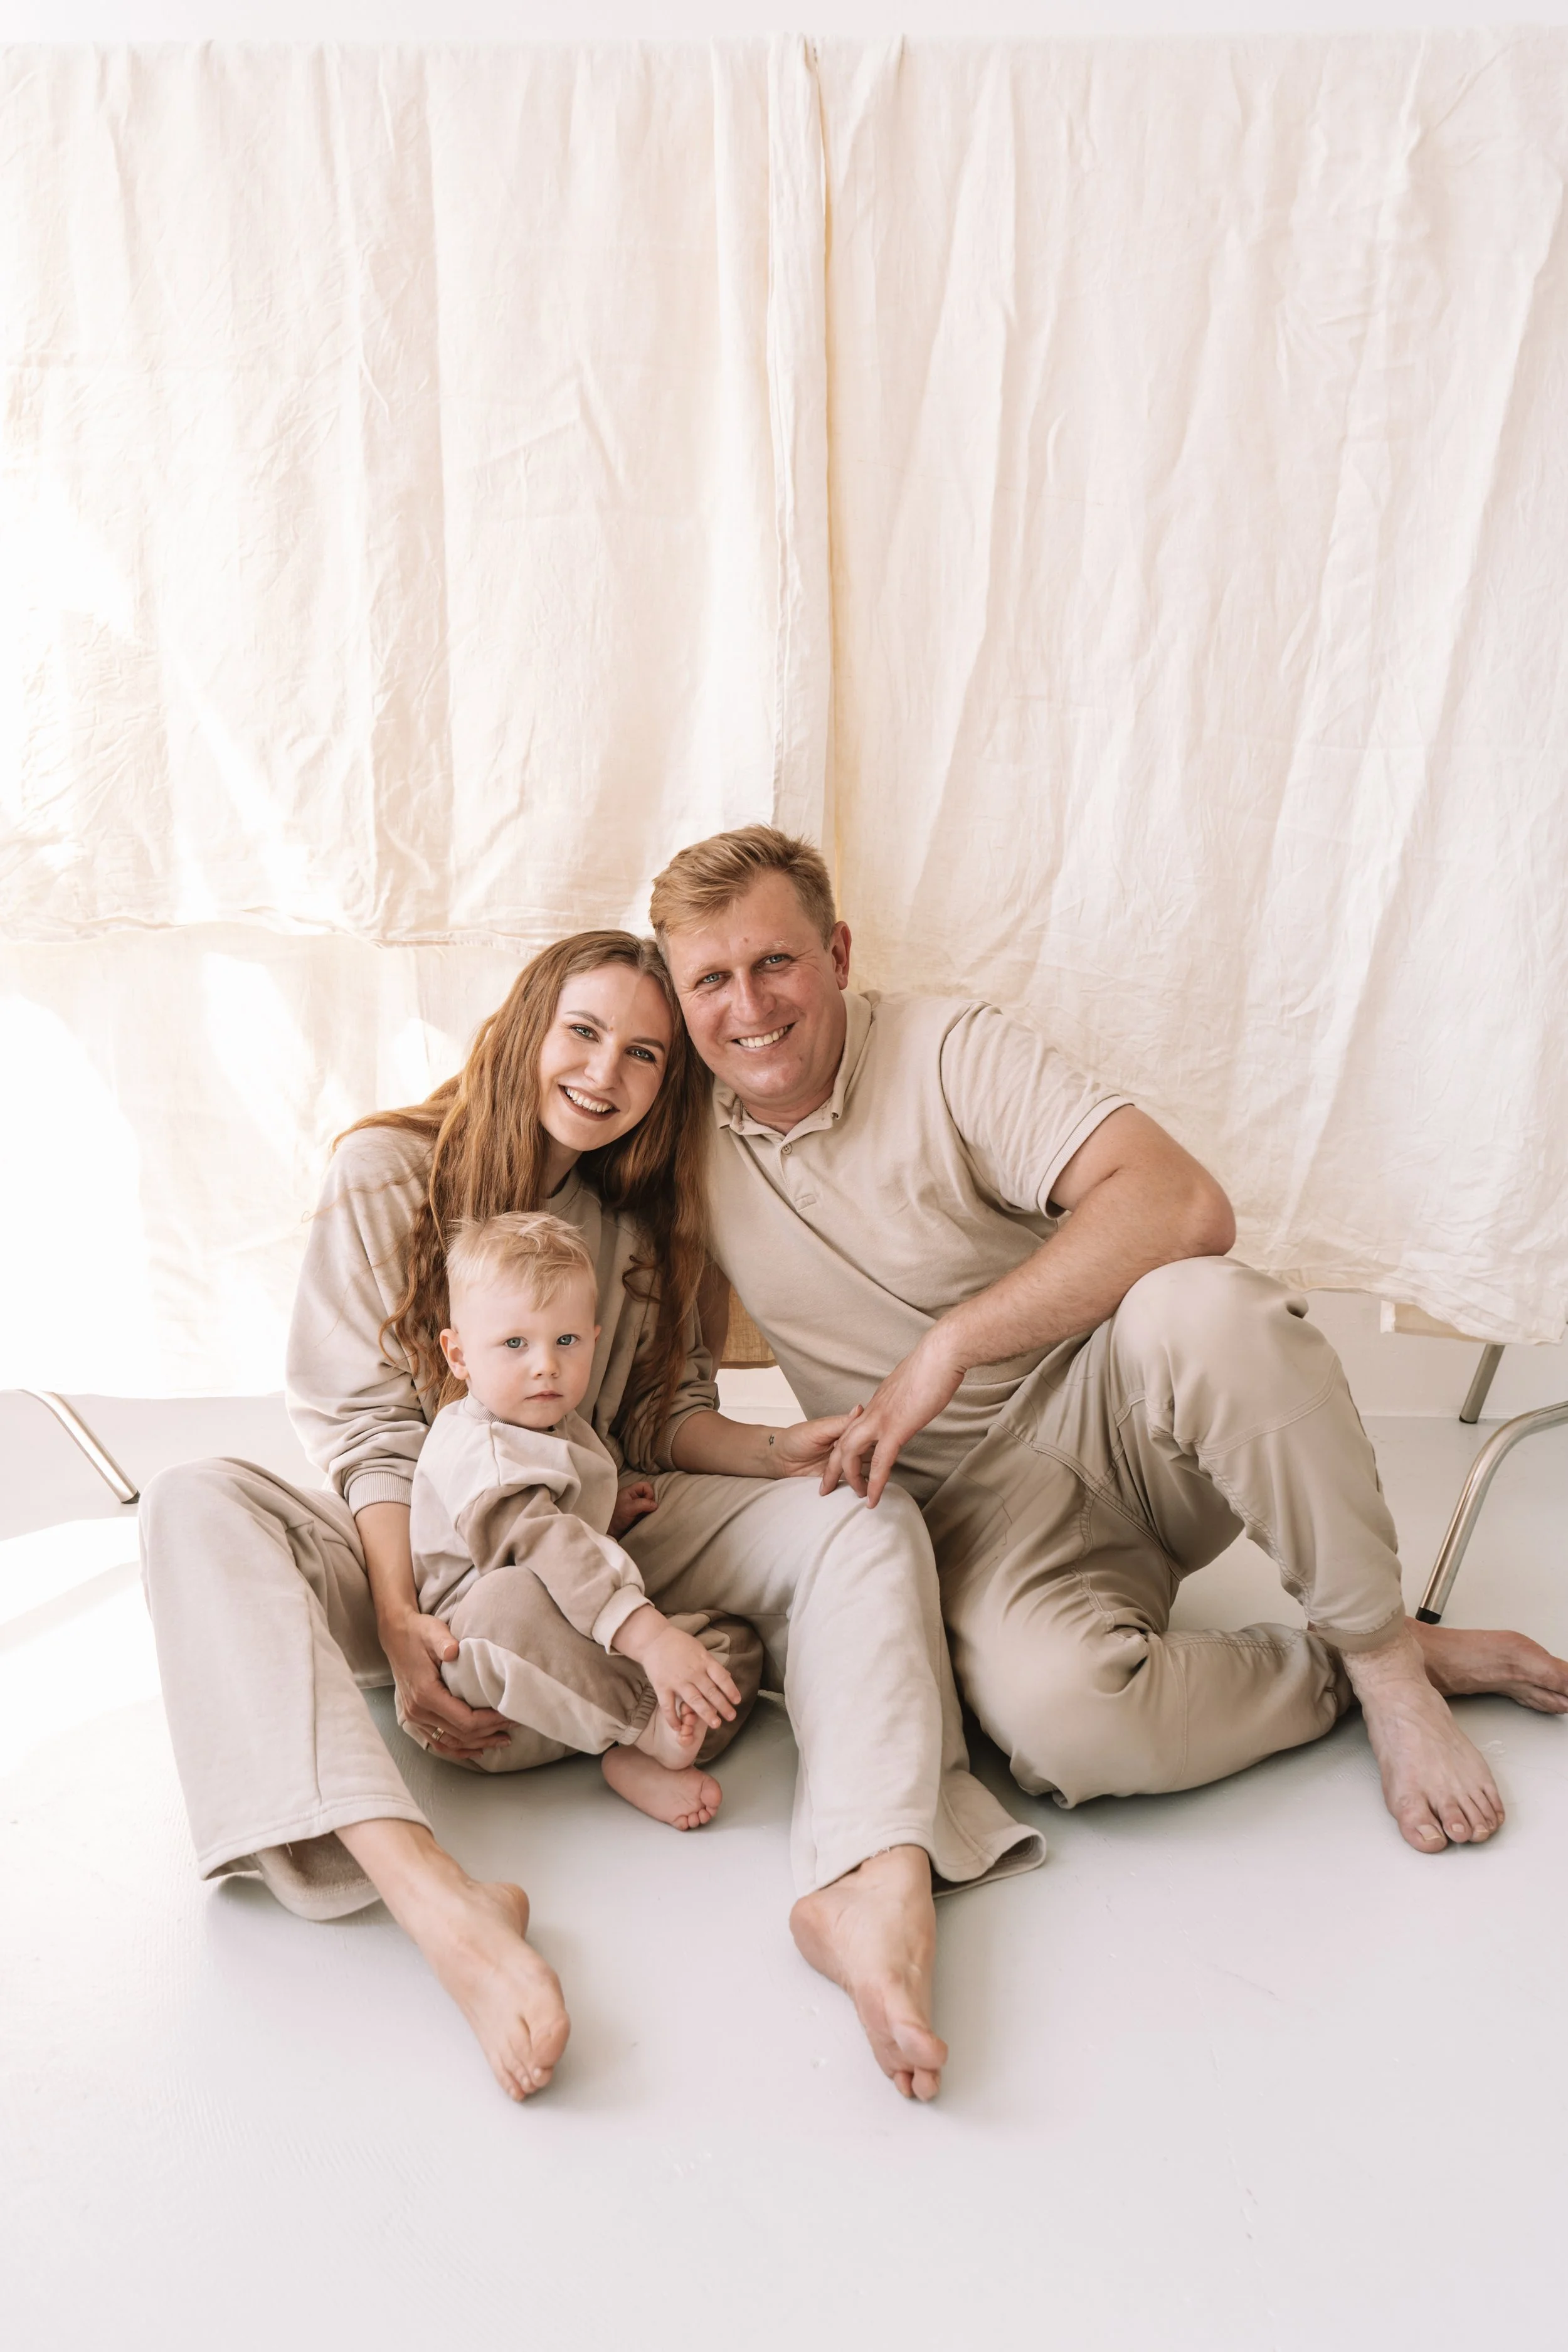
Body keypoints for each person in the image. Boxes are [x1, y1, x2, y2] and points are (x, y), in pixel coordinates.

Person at [140, 929, 1041, 2108]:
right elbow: (365, 1429)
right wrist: (402, 1614)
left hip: (593, 1523)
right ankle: (432, 1892)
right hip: (420, 1538)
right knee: (192, 1500)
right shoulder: (384, 1170)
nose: (604, 1075)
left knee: (860, 1521)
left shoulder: (647, 1211)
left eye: (646, 1056)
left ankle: (875, 1875)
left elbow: (661, 1414)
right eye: (583, 1033)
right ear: (528, 1026)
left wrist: (780, 1452)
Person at [649, 825, 1568, 1857]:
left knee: (1205, 1306)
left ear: (839, 956)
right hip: (971, 1529)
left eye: (776, 961)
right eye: (712, 980)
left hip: (1122, 1423)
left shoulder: (945, 1047)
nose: (751, 1006)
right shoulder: (674, 1138)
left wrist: (954, 1344)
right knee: (1065, 1728)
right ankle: (1353, 1666)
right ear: (681, 1002)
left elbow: (1181, 1203)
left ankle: (1391, 1673)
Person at [412, 1207, 754, 1835]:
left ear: (593, 1340)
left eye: (565, 1342)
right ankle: (646, 1720)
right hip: (487, 1700)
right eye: (515, 1344)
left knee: (732, 1644)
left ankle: (627, 1747)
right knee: (508, 1600)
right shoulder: (475, 1445)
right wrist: (650, 1641)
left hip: (564, 1702)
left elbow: (567, 1527)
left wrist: (607, 1516)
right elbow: (540, 1539)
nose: (545, 1365)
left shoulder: (559, 1425)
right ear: (458, 1355)